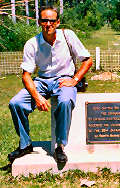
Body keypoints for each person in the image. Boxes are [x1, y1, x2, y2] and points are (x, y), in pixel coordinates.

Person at [8, 6, 92, 163]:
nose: (48, 24)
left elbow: (87, 60)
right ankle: (25, 144)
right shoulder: (32, 44)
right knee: (16, 103)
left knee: (65, 101)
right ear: (39, 22)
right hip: (42, 81)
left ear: (58, 22)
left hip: (64, 79)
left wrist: (74, 80)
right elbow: (26, 75)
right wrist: (37, 97)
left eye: (52, 21)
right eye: (44, 20)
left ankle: (60, 146)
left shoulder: (68, 36)